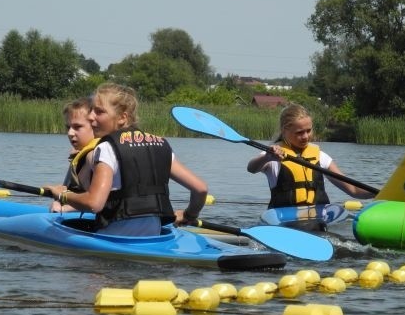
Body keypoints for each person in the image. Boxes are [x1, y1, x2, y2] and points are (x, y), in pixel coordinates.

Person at [42, 83, 208, 235]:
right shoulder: (160, 144)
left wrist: (63, 195)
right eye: (92, 110)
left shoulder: (106, 148)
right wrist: (189, 215)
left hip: (115, 240)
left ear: (122, 117)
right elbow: (200, 189)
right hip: (152, 238)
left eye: (99, 112)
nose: (91, 117)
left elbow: (94, 203)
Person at [247, 103, 375, 208]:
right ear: (284, 130)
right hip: (284, 222)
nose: (305, 136)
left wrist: (379, 193)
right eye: (299, 132)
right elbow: (251, 168)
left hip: (316, 221)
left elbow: (352, 189)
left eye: (308, 131)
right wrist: (267, 157)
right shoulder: (272, 155)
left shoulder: (320, 156)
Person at [49, 97, 98, 213]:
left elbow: (100, 200)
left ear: (95, 125)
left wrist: (64, 208)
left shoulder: (93, 156)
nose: (70, 133)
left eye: (77, 127)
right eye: (68, 127)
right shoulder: (81, 153)